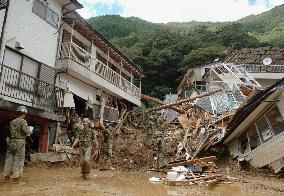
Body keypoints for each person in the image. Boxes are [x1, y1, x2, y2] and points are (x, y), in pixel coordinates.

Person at [3, 106, 29, 184]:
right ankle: (16, 180)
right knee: (19, 160)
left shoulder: (12, 121)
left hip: (11, 142)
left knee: (9, 160)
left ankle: (6, 178)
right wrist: (29, 132)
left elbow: (10, 132)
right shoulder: (23, 121)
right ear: (24, 113)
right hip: (20, 142)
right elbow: (25, 131)